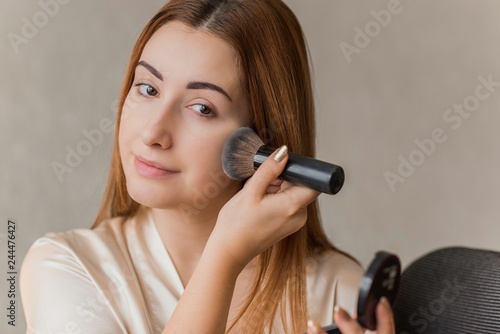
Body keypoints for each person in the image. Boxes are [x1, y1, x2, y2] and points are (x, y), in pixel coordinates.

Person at [20, 0, 395, 333]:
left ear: (263, 138)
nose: (153, 132)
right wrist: (224, 257)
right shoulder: (67, 268)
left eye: (202, 108)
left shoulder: (338, 293)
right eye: (148, 89)